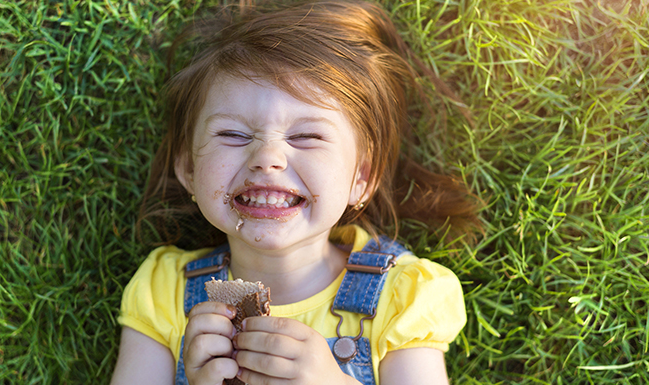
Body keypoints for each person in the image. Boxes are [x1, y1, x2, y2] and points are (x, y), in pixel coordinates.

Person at [111, 1, 481, 384]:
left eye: (306, 136)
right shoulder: (166, 294)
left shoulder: (399, 297)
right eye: (233, 134)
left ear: (362, 177)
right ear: (188, 168)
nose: (267, 158)